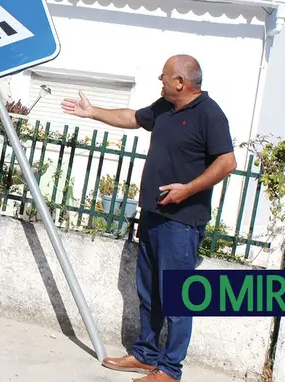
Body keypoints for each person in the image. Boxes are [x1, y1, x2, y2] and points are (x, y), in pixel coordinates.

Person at [61, 55, 236, 382]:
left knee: (177, 298)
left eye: (165, 75)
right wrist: (93, 111)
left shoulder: (209, 114)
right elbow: (133, 117)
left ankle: (169, 370)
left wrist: (187, 190)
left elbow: (227, 162)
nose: (160, 78)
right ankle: (145, 354)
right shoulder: (166, 107)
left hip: (182, 223)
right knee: (149, 291)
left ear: (181, 82)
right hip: (154, 215)